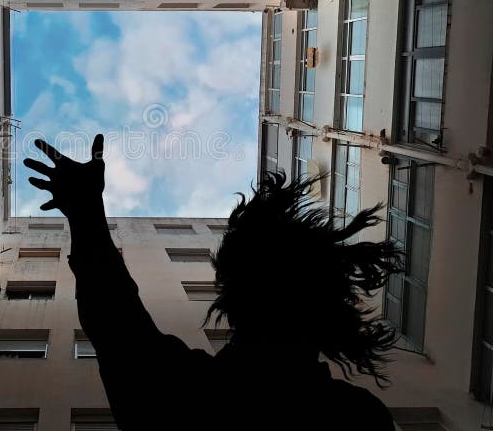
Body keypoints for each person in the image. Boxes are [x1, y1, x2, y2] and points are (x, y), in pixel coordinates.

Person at [25, 134, 403, 430]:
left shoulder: (193, 396)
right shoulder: (359, 415)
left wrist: (87, 214)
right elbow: (119, 328)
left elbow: (118, 327)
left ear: (234, 302)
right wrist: (86, 213)